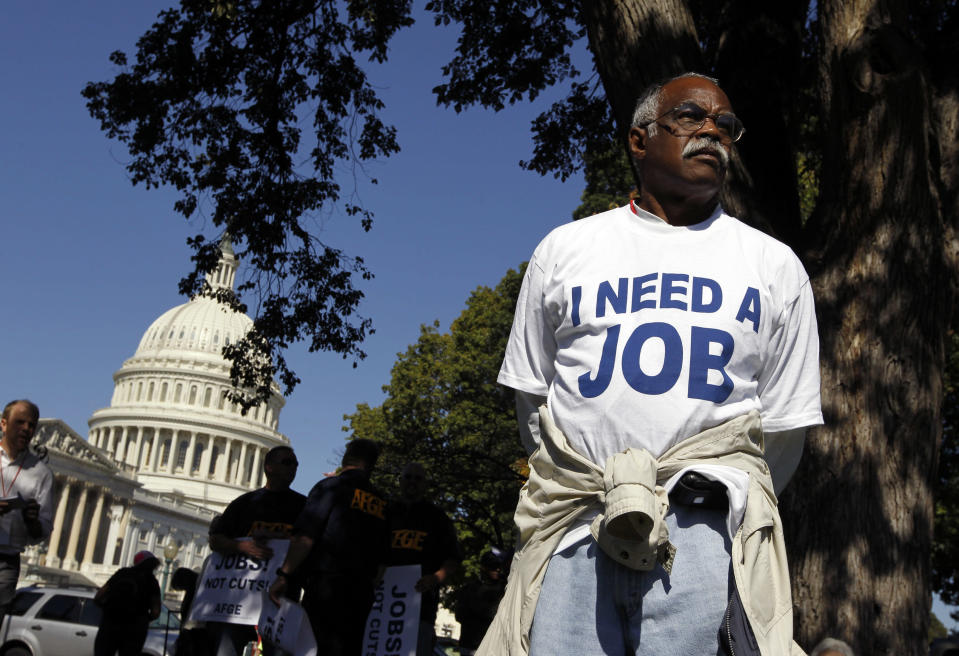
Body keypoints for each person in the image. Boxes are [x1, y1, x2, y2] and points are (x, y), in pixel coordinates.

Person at [483, 72, 823, 655]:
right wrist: (585, 484)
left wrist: (723, 498)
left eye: (726, 126)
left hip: (705, 541)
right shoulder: (566, 250)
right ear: (640, 139)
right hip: (576, 531)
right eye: (693, 117)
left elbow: (784, 432)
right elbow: (533, 401)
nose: (713, 133)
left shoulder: (774, 265)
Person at [268, 438, 389, 656]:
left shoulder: (331, 487)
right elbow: (382, 561)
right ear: (371, 464)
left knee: (313, 647)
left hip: (326, 587)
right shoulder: (382, 501)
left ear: (346, 457)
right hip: (361, 593)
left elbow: (305, 537)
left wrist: (284, 574)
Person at [207, 445, 306, 656]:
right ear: (269, 467)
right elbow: (215, 540)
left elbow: (308, 543)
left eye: (296, 464)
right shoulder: (244, 504)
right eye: (287, 462)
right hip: (238, 600)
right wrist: (241, 545)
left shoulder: (304, 506)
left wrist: (279, 538)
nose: (294, 468)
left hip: (280, 598)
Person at [387, 462, 460, 656]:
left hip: (420, 611)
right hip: (383, 608)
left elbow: (452, 560)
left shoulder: (437, 518)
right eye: (408, 477)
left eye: (418, 478)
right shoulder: (386, 512)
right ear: (400, 481)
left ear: (425, 484)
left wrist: (435, 578)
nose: (412, 482)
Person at [0, 400, 54, 619]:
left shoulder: (41, 474)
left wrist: (32, 521)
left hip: (6, 562)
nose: (26, 429)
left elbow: (43, 530)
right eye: (19, 422)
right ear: (3, 424)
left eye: (31, 425)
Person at [93, 549, 162, 656]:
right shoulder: (152, 582)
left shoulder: (122, 573)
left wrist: (106, 609)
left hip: (110, 624)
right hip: (135, 630)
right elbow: (156, 612)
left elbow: (99, 596)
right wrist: (144, 618)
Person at [454, 547, 509, 656]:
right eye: (494, 566)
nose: (498, 570)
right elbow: (459, 615)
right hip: (470, 646)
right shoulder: (470, 588)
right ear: (484, 567)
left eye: (499, 566)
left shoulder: (505, 589)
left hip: (493, 647)